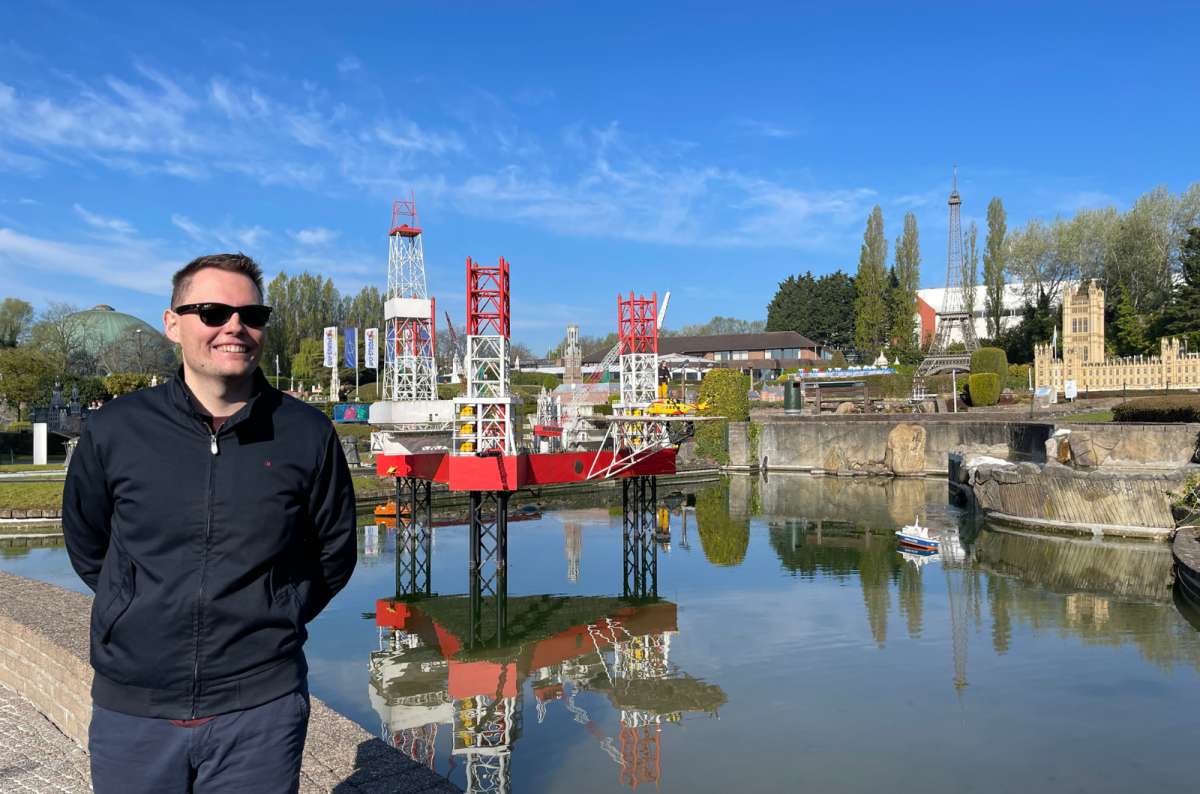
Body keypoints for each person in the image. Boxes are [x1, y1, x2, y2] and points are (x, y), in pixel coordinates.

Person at [63, 253, 357, 793]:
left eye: (251, 314)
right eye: (213, 311)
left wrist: (277, 609)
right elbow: (88, 543)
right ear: (173, 323)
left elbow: (334, 551)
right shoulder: (116, 430)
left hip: (260, 708)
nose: (234, 327)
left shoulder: (306, 434)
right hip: (135, 707)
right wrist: (134, 604)